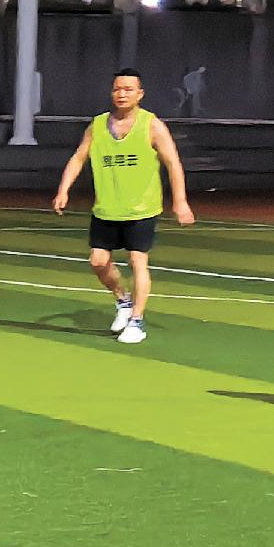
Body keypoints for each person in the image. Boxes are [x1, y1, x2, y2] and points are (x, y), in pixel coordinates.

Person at [52, 67, 195, 345]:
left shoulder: (151, 125)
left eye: (128, 89)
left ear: (140, 94)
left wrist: (180, 201)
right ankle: (123, 300)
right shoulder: (97, 125)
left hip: (141, 208)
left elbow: (173, 163)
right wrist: (63, 190)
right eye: (117, 89)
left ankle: (137, 322)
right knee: (98, 261)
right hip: (107, 208)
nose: (122, 94)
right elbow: (79, 157)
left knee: (137, 261)